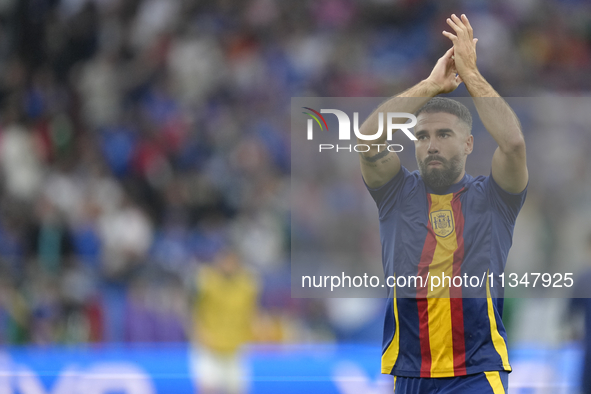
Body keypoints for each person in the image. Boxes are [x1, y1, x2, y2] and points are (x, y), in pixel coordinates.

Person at [358, 14, 528, 393]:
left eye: (444, 134)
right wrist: (432, 85)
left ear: (468, 144)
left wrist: (471, 76)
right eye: (421, 136)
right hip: (410, 373)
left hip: (475, 372)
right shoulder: (396, 194)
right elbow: (367, 141)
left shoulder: (494, 198)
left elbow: (514, 145)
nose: (431, 144)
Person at [189, 248, 259, 394]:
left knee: (237, 389)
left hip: (235, 347)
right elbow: (190, 308)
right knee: (208, 389)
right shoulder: (205, 280)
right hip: (209, 347)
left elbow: (251, 312)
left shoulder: (248, 284)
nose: (228, 265)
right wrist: (198, 331)